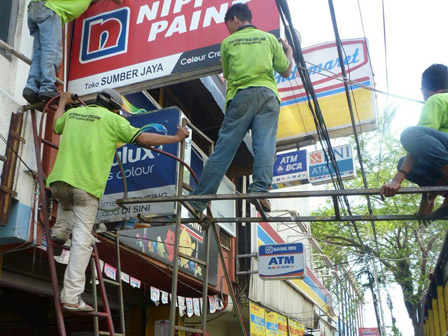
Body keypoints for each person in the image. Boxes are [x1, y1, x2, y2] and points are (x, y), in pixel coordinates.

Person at [47, 89, 189, 311]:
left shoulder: (73, 115)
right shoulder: (114, 120)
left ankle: (60, 230)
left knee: (66, 201)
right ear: (115, 108)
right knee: (82, 242)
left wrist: (63, 101)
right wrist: (176, 138)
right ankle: (71, 298)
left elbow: (56, 125)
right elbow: (144, 138)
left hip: (58, 183)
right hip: (86, 187)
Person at [189, 3, 293, 214]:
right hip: (268, 96)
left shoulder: (228, 42)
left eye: (228, 24)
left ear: (235, 19)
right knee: (264, 146)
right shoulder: (269, 39)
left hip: (241, 97)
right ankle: (259, 190)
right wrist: (289, 52)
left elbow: (227, 74)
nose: (228, 29)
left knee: (224, 151)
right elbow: (286, 71)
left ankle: (199, 200)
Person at [380, 64, 448, 218]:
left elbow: (417, 143)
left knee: (410, 135)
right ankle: (436, 191)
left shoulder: (436, 100)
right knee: (407, 161)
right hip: (444, 155)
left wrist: (397, 179)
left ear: (424, 91)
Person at [22, 0, 123, 104]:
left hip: (36, 8)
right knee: (51, 51)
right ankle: (47, 87)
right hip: (50, 9)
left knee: (40, 53)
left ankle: (31, 87)